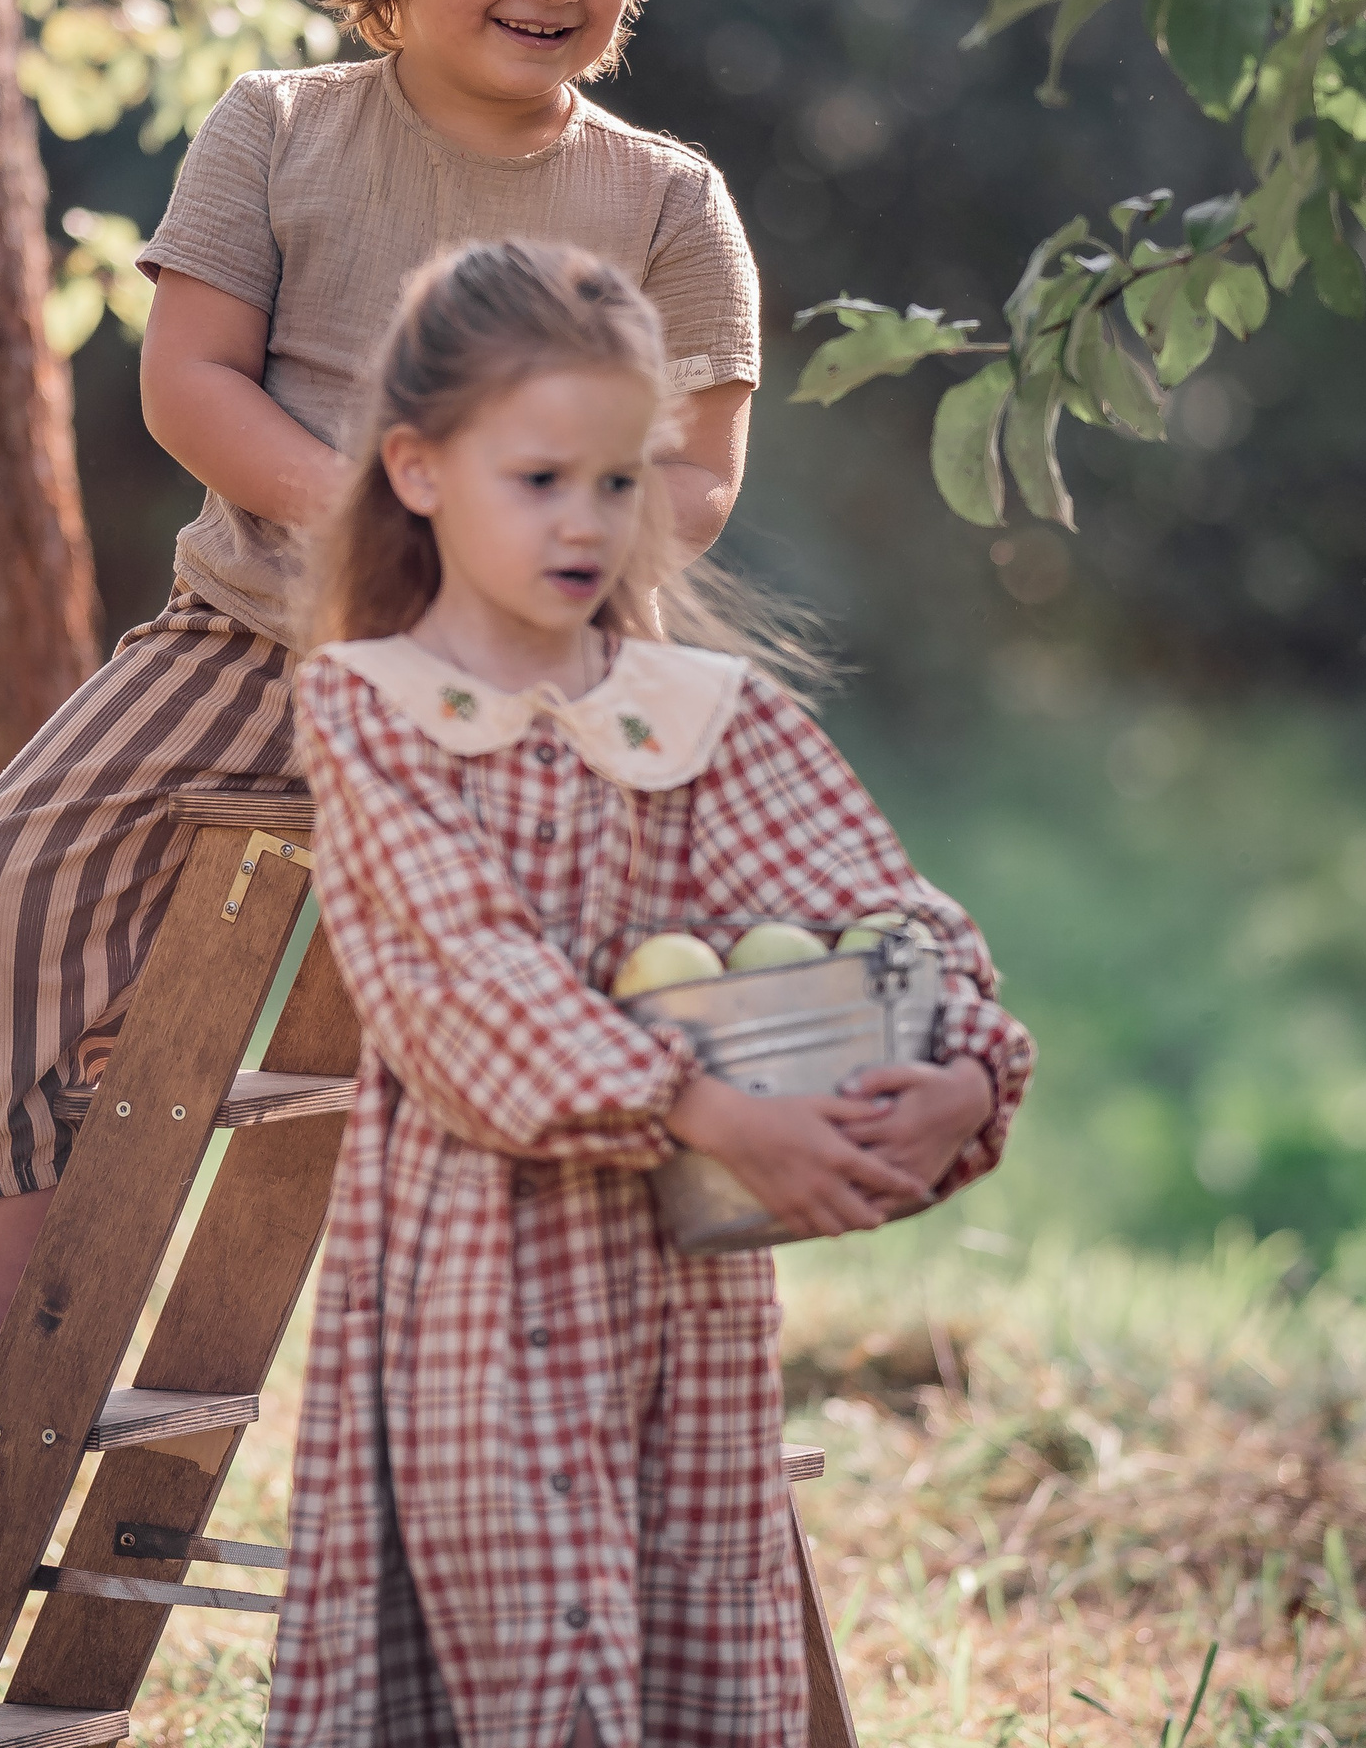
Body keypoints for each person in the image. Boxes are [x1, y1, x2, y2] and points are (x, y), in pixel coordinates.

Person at [0, 0, 763, 1424]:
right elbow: (190, 380)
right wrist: (379, 524)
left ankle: (602, 1349)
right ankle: (20, 1295)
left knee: (587, 988)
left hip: (525, 683)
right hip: (254, 634)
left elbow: (698, 471)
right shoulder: (276, 131)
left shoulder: (663, 202)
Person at [273, 240, 1034, 1748]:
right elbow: (459, 977)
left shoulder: (689, 715)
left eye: (621, 483)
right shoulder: (376, 708)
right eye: (541, 477)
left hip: (685, 1290)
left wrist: (964, 1064)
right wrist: (704, 1104)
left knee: (686, 1617)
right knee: (521, 1655)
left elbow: (875, 903)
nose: (588, 520)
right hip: (481, 1286)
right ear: (418, 471)